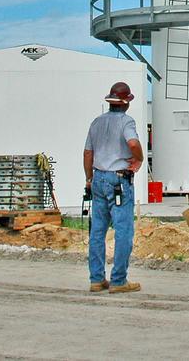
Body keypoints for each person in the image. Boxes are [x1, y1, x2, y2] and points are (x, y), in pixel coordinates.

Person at [83, 81, 144, 293]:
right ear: (126, 102)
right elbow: (133, 144)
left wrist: (89, 178)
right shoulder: (127, 122)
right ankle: (118, 280)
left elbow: (88, 153)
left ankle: (96, 279)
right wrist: (139, 159)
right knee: (123, 230)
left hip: (98, 178)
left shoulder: (97, 122)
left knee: (98, 231)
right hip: (119, 180)